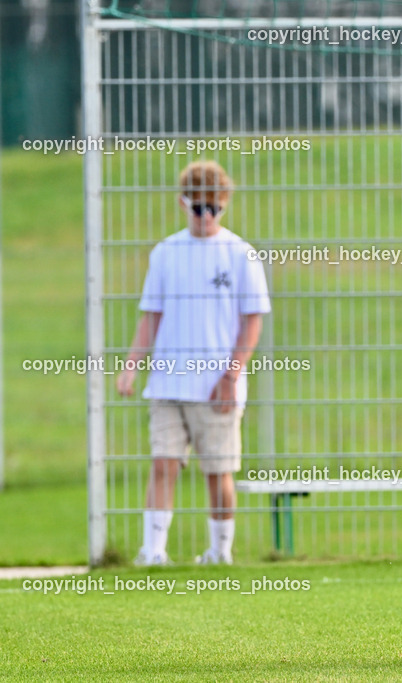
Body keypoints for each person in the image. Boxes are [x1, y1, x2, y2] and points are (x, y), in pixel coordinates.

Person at [116, 161, 271, 565]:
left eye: (214, 208)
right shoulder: (166, 253)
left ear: (225, 204)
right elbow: (151, 317)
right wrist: (131, 366)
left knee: (218, 470)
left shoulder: (240, 254)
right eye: (198, 207)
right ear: (183, 203)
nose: (206, 216)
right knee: (163, 464)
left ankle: (220, 552)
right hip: (169, 383)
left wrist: (231, 375)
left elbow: (252, 322)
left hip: (217, 385)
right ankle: (153, 552)